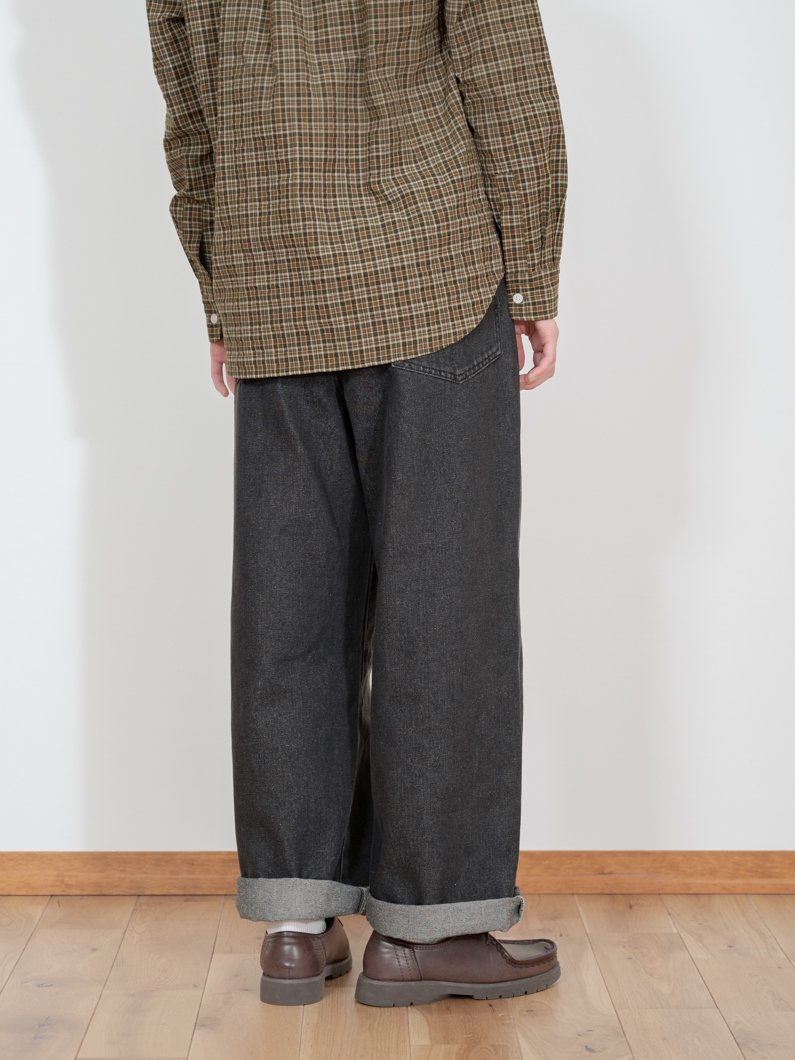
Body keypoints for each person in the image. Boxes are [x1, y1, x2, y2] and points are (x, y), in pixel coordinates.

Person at [146, 0, 567, 1008]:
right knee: (445, 608)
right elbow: (506, 76)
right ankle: (431, 927)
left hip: (271, 282)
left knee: (290, 610)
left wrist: (220, 292)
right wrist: (534, 276)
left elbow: (191, 116)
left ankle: (295, 924)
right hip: (429, 273)